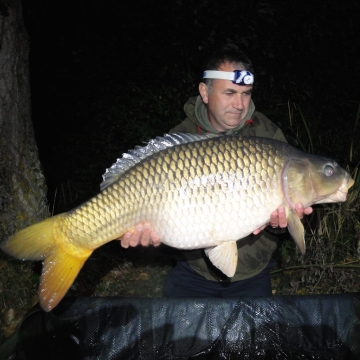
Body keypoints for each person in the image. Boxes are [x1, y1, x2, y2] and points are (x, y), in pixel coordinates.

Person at [120, 46, 312, 297]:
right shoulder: (180, 138)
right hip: (193, 271)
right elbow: (160, 220)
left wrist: (278, 224)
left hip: (253, 272)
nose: (240, 104)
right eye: (230, 93)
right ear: (205, 92)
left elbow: (281, 215)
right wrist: (148, 236)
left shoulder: (267, 135)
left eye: (246, 93)